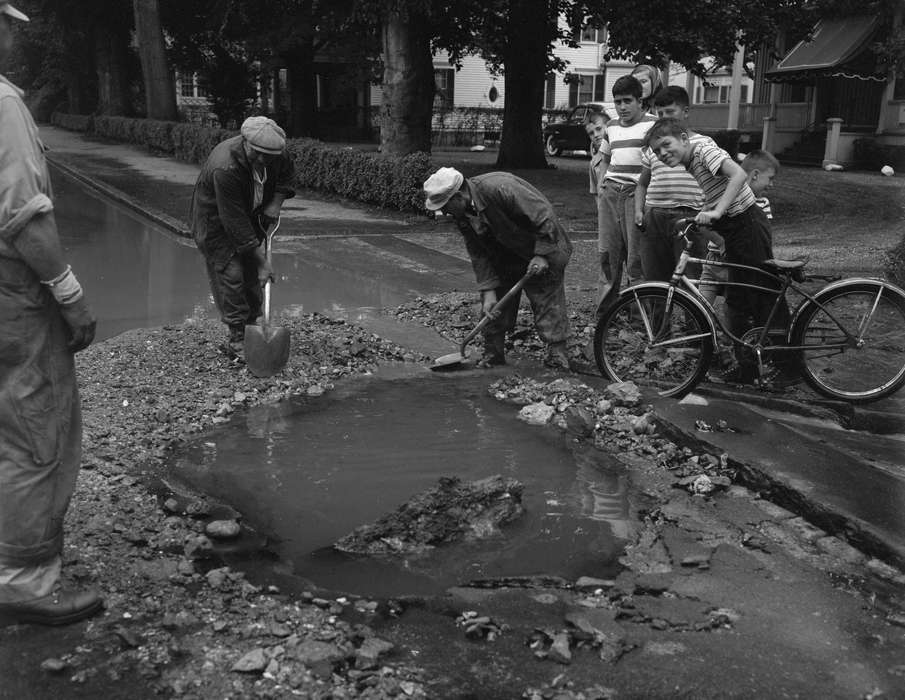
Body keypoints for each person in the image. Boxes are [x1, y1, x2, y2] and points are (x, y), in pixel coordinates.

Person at [0, 2, 103, 626]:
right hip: (13, 299)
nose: (13, 34)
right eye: (7, 21)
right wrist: (69, 294)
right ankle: (25, 582)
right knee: (36, 432)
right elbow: (22, 216)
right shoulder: (3, 105)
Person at [645, 118, 789, 380]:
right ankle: (747, 367)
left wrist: (718, 211)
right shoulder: (692, 158)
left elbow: (738, 174)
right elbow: (719, 188)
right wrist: (708, 210)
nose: (663, 154)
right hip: (736, 228)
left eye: (666, 145)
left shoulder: (701, 150)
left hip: (747, 225)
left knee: (764, 294)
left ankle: (789, 367)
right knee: (736, 303)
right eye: (656, 151)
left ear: (684, 139)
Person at [422, 167, 573, 370]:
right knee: (492, 307)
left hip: (543, 244)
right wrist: (488, 289)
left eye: (445, 206)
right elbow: (477, 251)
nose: (444, 212)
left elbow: (543, 215)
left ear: (458, 196)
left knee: (546, 299)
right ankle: (493, 354)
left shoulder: (500, 188)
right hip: (506, 253)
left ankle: (558, 354)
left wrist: (542, 254)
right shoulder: (461, 213)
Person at [190, 116, 295, 358]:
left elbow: (287, 177)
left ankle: (253, 327)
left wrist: (275, 204)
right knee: (233, 274)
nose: (262, 159)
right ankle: (237, 338)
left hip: (250, 215)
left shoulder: (276, 153)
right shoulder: (225, 166)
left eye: (268, 156)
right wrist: (263, 263)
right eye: (257, 153)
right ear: (244, 141)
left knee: (250, 275)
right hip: (215, 222)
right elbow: (234, 224)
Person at [594, 75, 657, 319]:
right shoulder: (611, 126)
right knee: (608, 255)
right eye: (617, 102)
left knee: (636, 259)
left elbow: (657, 163)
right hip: (611, 193)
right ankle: (605, 315)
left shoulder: (653, 126)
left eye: (627, 101)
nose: (622, 107)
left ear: (640, 101)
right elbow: (605, 158)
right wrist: (601, 184)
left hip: (635, 195)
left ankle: (639, 316)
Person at [634, 86, 712, 283]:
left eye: (670, 112)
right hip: (655, 216)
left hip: (690, 218)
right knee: (654, 278)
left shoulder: (704, 143)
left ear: (685, 112)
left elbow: (716, 183)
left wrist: (707, 211)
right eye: (659, 113)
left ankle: (694, 314)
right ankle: (656, 315)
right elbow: (642, 183)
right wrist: (638, 211)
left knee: (691, 278)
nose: (664, 117)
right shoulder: (654, 145)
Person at [699, 149, 780, 306]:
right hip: (713, 263)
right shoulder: (725, 196)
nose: (772, 184)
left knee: (734, 308)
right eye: (770, 179)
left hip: (739, 265)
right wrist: (723, 244)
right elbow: (703, 226)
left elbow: (762, 236)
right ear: (755, 175)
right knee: (700, 307)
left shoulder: (763, 204)